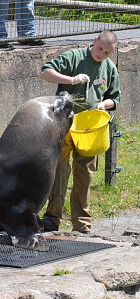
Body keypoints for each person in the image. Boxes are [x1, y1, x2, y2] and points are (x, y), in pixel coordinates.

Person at [39, 30, 121, 234]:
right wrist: (71, 80)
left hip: (90, 129)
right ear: (94, 41)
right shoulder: (74, 57)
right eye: (99, 48)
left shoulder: (109, 68)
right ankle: (52, 219)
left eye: (106, 53)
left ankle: (82, 224)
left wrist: (104, 104)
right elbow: (44, 72)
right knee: (59, 170)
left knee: (84, 174)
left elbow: (115, 98)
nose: (101, 54)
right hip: (66, 123)